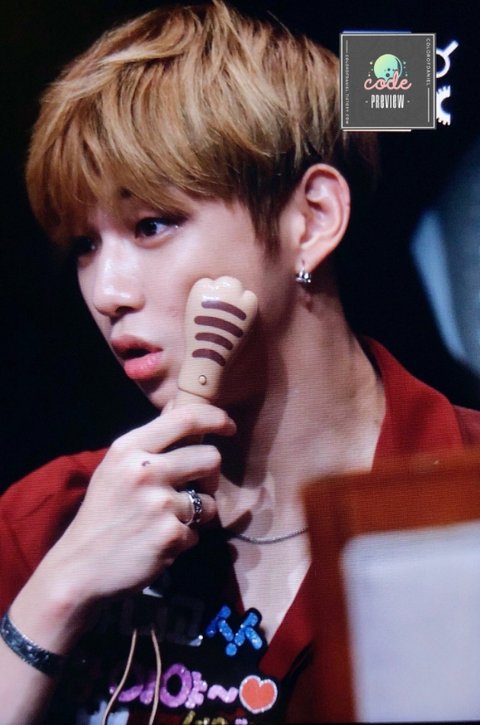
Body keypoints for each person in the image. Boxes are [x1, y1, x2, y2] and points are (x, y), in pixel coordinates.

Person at [1, 2, 479, 723]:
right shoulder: (48, 521)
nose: (107, 292)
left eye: (151, 224)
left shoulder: (465, 493)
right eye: (85, 246)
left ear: (311, 219)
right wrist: (58, 595)